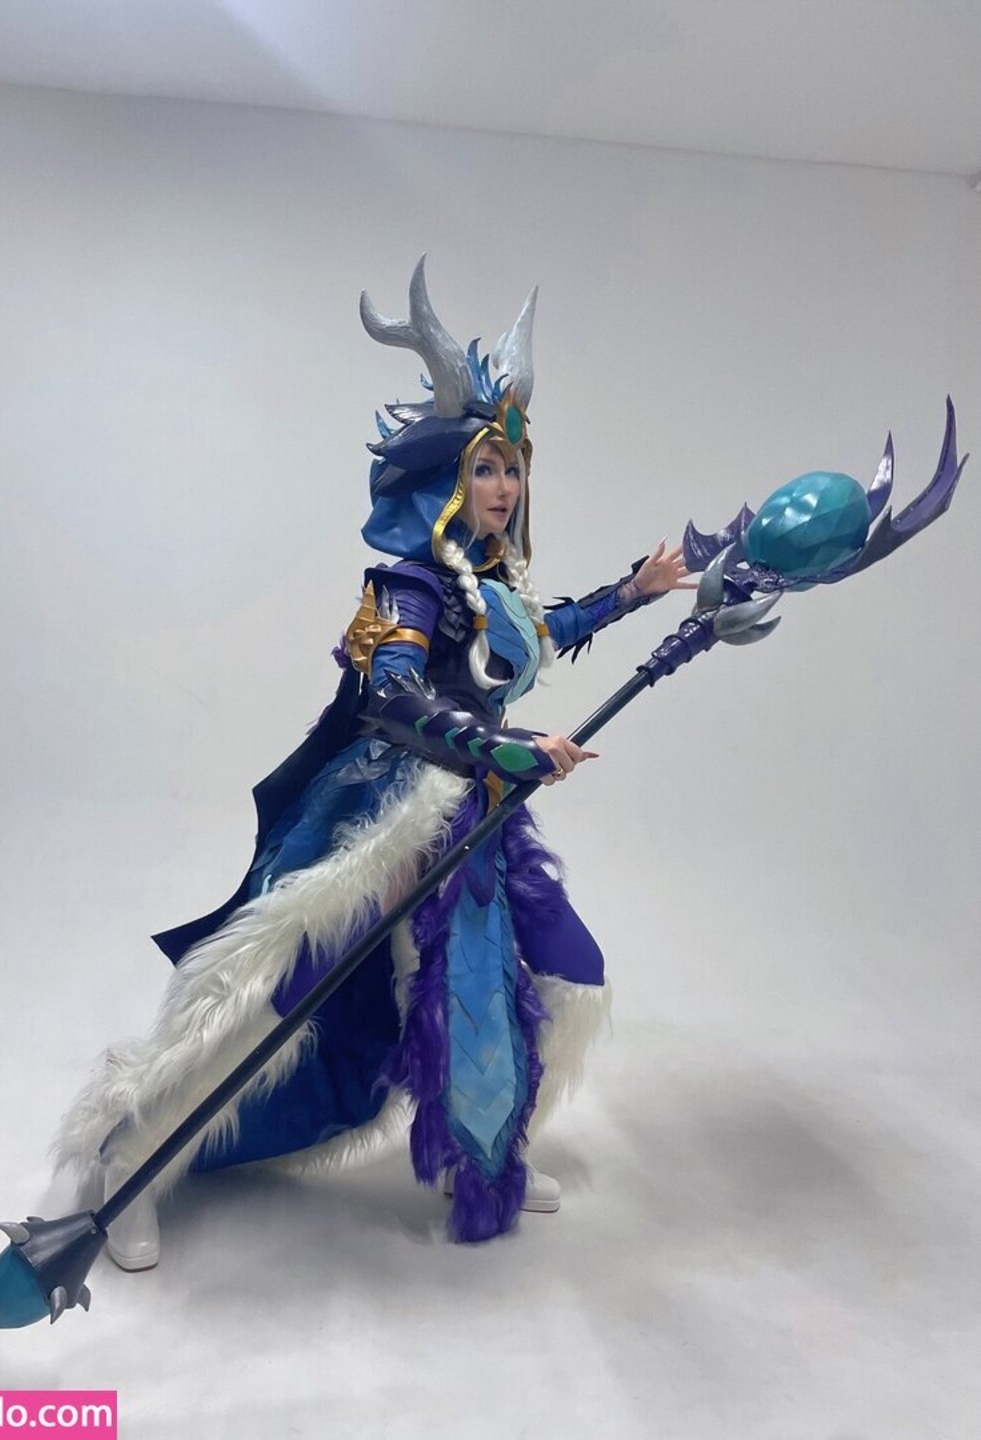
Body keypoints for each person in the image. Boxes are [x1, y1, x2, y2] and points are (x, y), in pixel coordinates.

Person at [53, 259, 693, 1270]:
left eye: (514, 467)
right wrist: (508, 747)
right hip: (383, 810)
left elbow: (534, 635)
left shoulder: (489, 580)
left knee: (557, 973)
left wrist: (633, 593)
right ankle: (130, 1157)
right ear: (446, 479)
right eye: (486, 468)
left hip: (475, 811)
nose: (505, 486)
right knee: (272, 995)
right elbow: (395, 697)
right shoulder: (402, 585)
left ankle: (481, 1151)